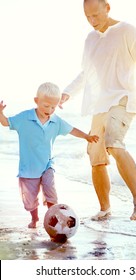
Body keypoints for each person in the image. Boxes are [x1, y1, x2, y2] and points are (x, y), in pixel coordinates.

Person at [60, 0, 136, 221]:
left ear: (107, 8)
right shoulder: (90, 39)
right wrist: (68, 92)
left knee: (113, 143)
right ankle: (105, 209)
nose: (92, 21)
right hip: (100, 104)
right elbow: (86, 73)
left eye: (96, 15)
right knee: (95, 156)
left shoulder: (127, 31)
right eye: (87, 17)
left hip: (124, 98)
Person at [0, 82, 99, 228]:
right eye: (46, 106)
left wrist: (86, 136)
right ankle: (35, 219)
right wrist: (0, 113)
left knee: (51, 192)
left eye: (53, 107)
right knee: (30, 199)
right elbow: (6, 123)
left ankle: (54, 219)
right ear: (36, 101)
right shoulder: (24, 117)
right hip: (28, 168)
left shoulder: (55, 121)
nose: (50, 110)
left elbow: (72, 129)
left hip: (47, 165)